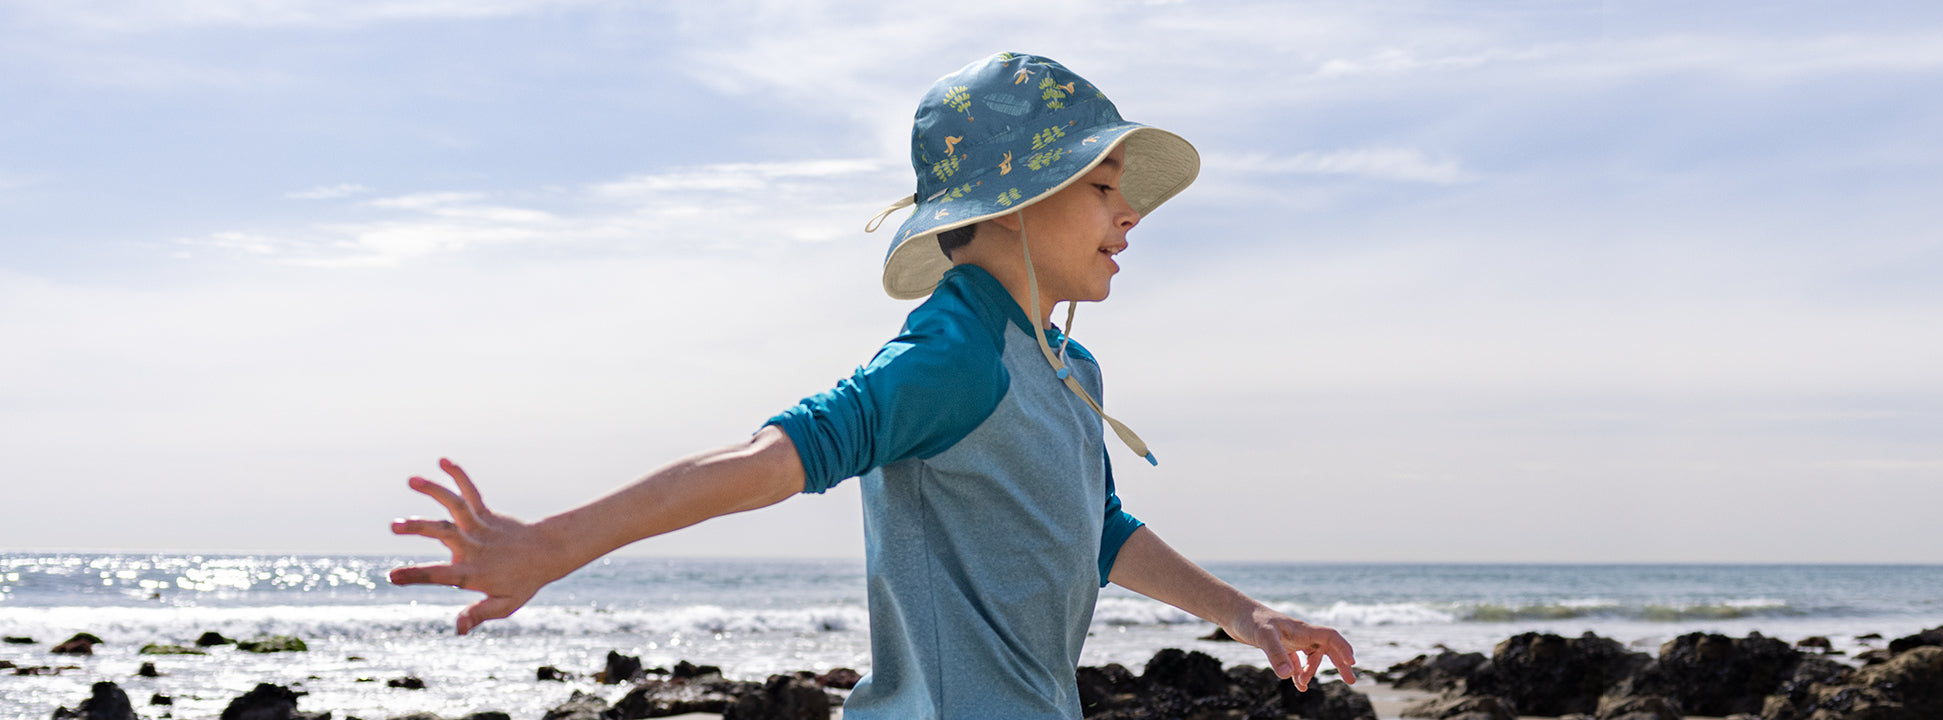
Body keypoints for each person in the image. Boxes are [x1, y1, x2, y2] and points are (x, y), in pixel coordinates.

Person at [386, 52, 1357, 718]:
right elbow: (772, 459)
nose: (1130, 212)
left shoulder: (1068, 371)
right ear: (1013, 202)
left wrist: (1246, 615)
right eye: (1102, 185)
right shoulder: (952, 355)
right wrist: (551, 546)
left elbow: (1094, 529)